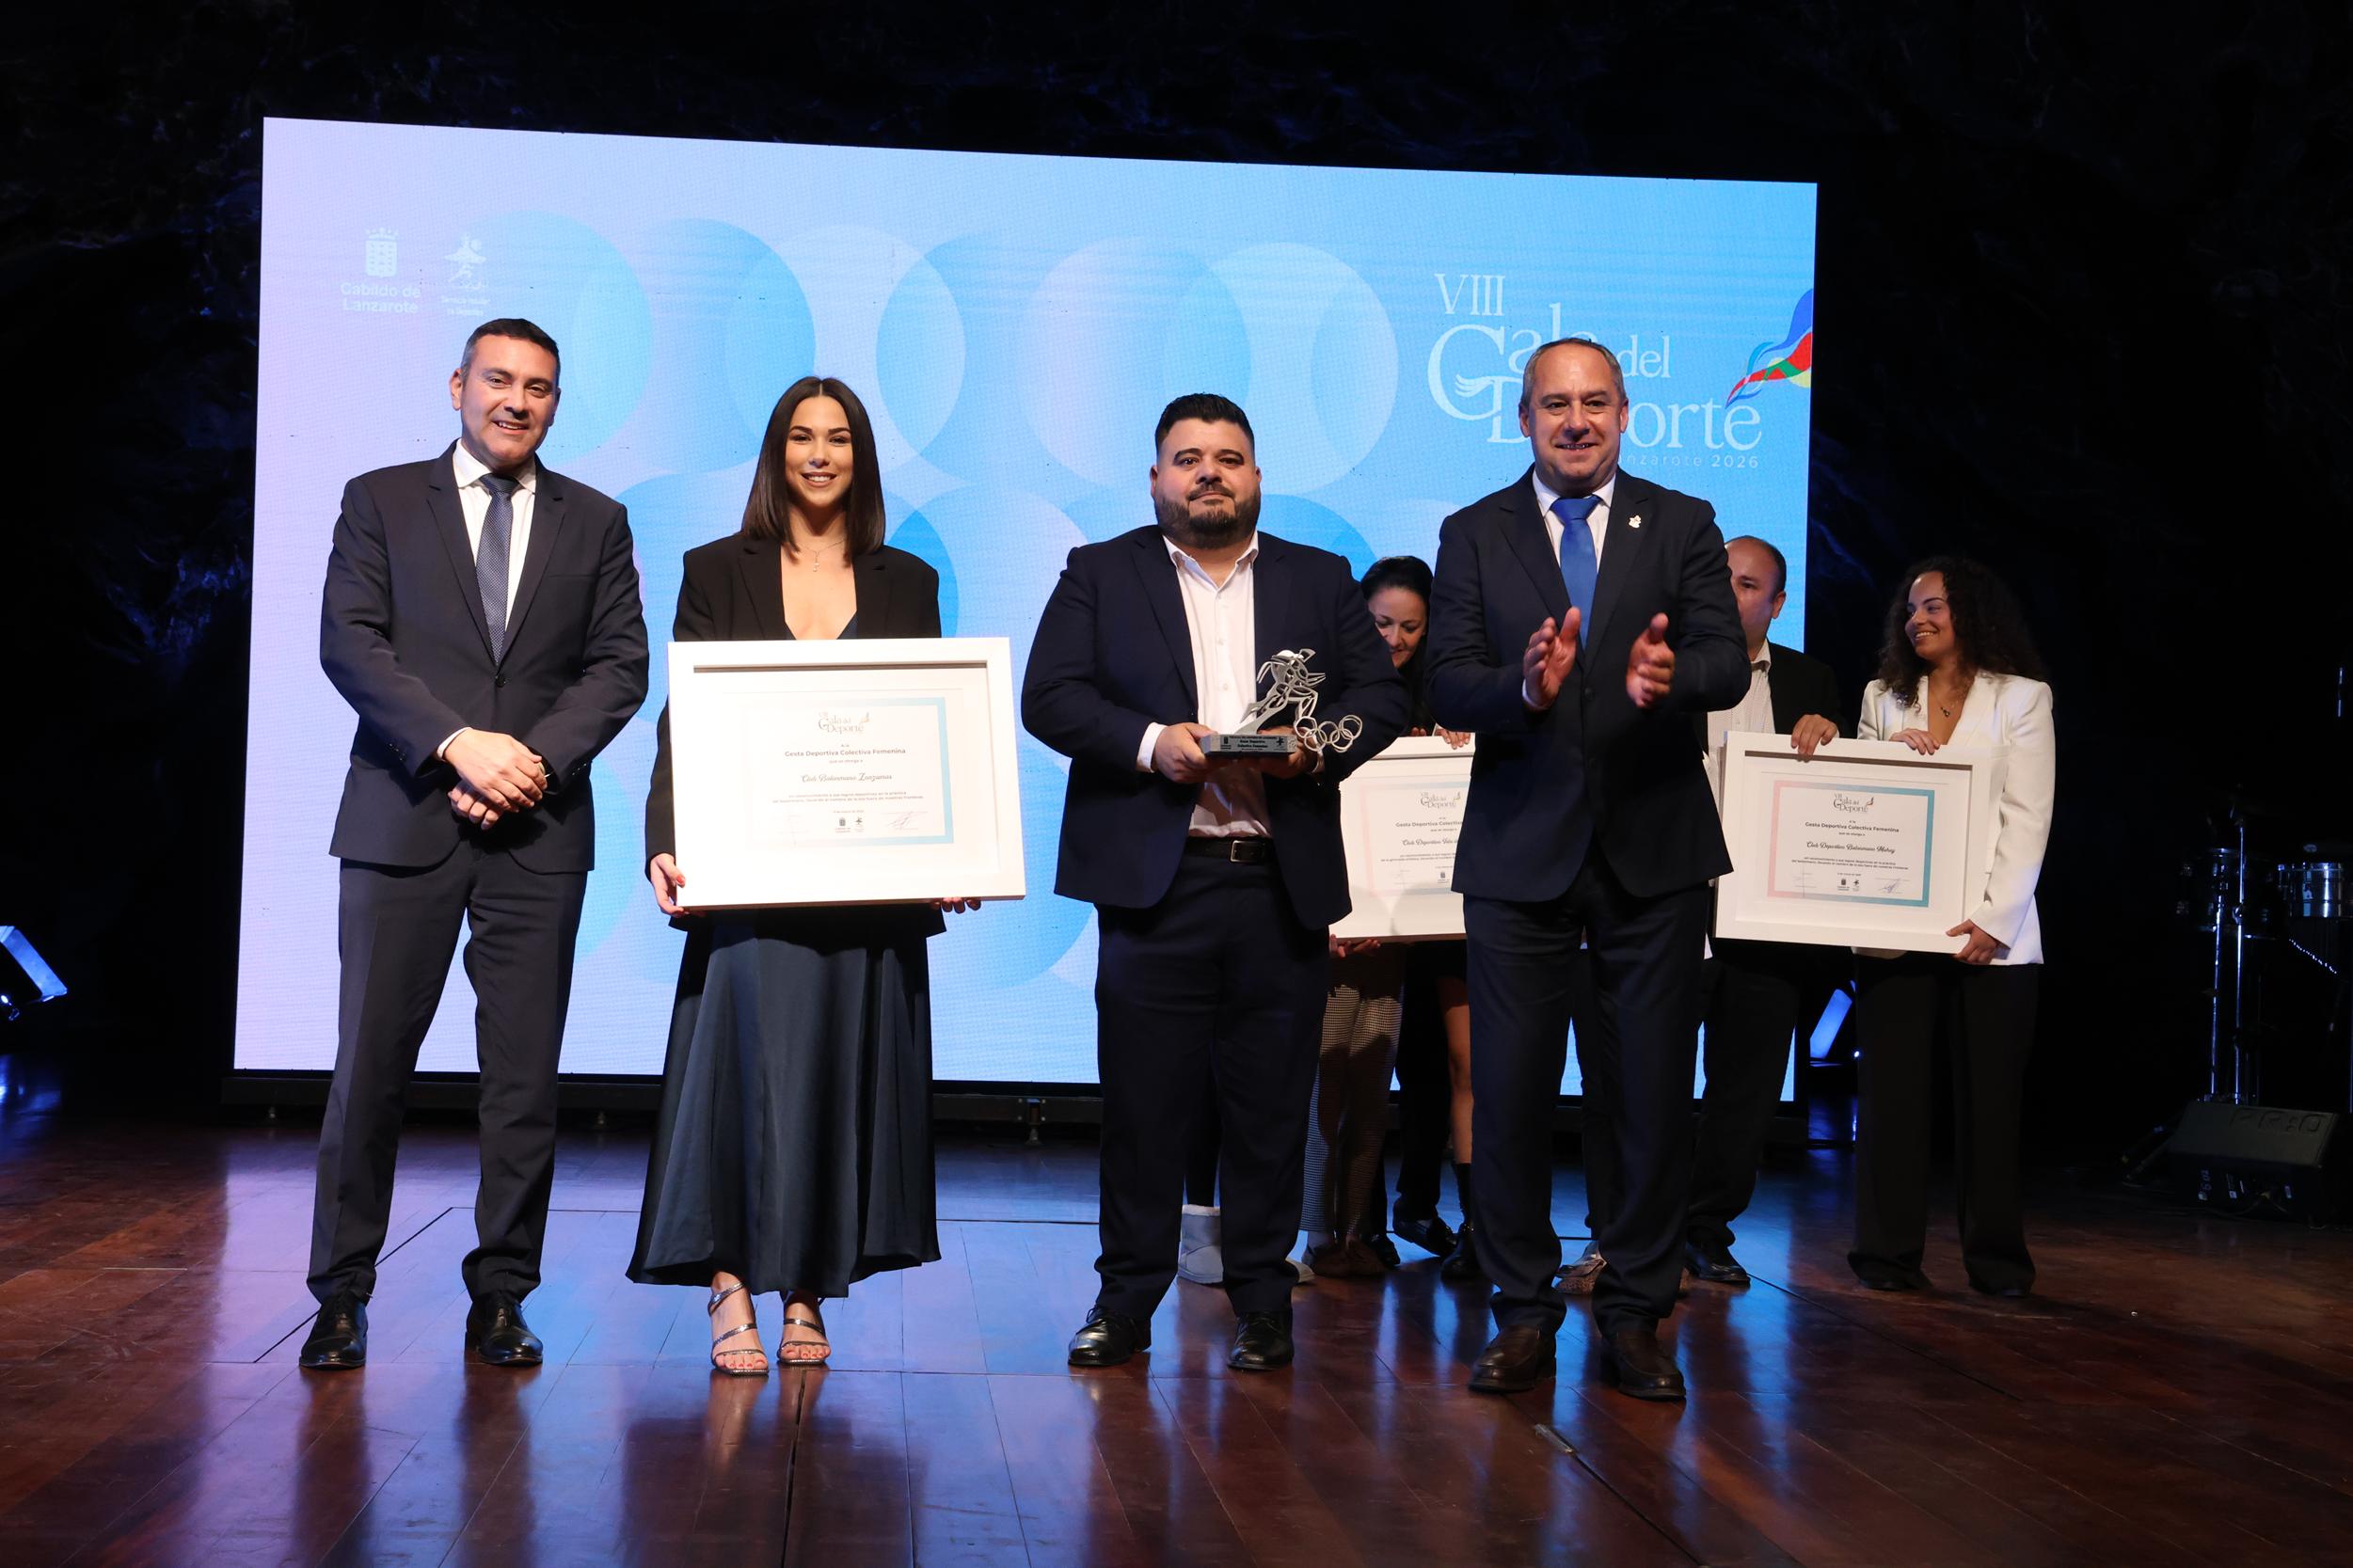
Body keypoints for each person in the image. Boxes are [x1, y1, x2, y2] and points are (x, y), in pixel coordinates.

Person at [1023, 393, 1407, 1372]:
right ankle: (1124, 1302)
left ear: (1257, 477)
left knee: (1270, 1108)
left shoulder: (1320, 580)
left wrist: (1309, 750)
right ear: (1154, 478)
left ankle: (1262, 1302)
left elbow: (1381, 696)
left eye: (1227, 457)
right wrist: (1154, 745)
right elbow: (1050, 695)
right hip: (1159, 885)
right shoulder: (1099, 572)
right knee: (1144, 1109)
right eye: (1186, 458)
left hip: (1277, 883)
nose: (1207, 473)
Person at [302, 319, 650, 1371]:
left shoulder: (597, 521)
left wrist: (528, 764)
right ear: (457, 384)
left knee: (521, 1080)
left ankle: (502, 1293)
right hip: (404, 816)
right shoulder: (379, 497)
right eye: (498, 379)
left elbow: (617, 666)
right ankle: (341, 1294)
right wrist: (460, 746)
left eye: (538, 387)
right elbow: (348, 641)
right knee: (369, 1069)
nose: (516, 400)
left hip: (535, 830)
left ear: (556, 403)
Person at [1424, 338, 1747, 1401]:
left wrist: (1672, 675)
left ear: (1624, 413)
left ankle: (1636, 1312)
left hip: (1652, 849)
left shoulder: (1684, 521)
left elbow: (1720, 662)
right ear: (1522, 418)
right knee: (1509, 1094)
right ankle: (1520, 1311)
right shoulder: (1472, 532)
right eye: (1553, 405)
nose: (1575, 421)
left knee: (1649, 1093)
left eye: (1595, 402)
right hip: (1519, 849)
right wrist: (1518, 690)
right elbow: (1447, 677)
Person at [628, 377, 968, 1373]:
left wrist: (953, 845)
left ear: (860, 458)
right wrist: (664, 833)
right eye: (800, 437)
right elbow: (681, 715)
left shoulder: (906, 580)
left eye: (838, 439)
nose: (819, 454)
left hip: (867, 886)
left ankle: (808, 1292)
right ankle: (730, 1280)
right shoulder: (715, 571)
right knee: (740, 1075)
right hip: (747, 872)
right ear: (776, 454)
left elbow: (932, 727)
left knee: (838, 1077)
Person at [1561, 534, 1848, 1293]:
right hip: (1649, 903)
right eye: (1716, 576)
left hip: (1765, 918)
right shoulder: (1644, 663)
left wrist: (1833, 738)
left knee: (1745, 1089)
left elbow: (1840, 805)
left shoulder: (1813, 680)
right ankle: (1612, 1234)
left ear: (1776, 604)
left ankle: (1705, 1229)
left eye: (1747, 582)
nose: (1727, 590)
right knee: (1621, 1080)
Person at [1850, 557, 2053, 1297]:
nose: (1918, 619)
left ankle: (1997, 1266)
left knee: (1989, 1108)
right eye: (1909, 609)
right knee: (1892, 1101)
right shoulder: (1883, 696)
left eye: (1933, 605)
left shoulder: (2022, 699)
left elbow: (2028, 815)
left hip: (1990, 936)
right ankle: (1885, 1257)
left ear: (1972, 611)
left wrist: (1996, 921)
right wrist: (1882, 754)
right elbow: (1859, 802)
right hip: (1897, 927)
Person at [1355, 556, 1481, 1275]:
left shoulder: (1448, 694)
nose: (1394, 638)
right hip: (1367, 907)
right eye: (1380, 622)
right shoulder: (1336, 694)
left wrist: (1455, 747)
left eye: (1409, 626)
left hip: (1441, 904)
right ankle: (1357, 1221)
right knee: (1366, 1061)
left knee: (1447, 1064)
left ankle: (1447, 1214)